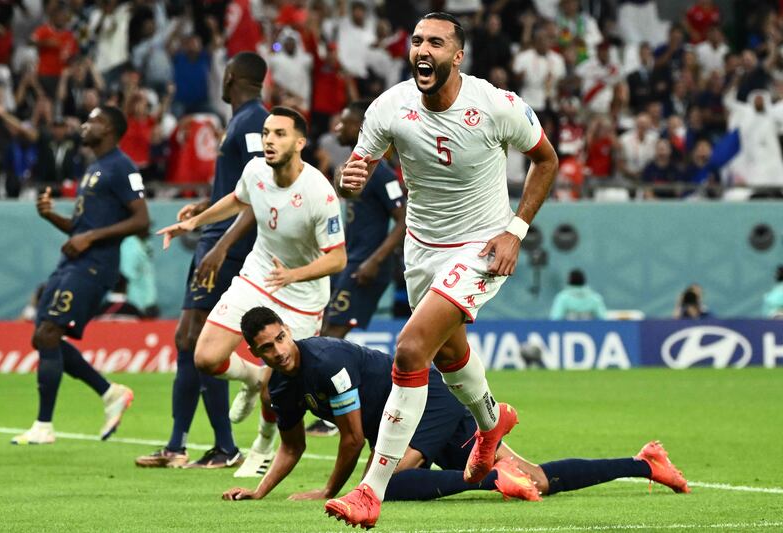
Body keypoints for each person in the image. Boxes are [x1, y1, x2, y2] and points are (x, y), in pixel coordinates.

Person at [325, 12, 559, 528]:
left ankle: (371, 491)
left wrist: (515, 232)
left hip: (481, 246)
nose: (422, 50)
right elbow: (354, 176)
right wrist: (350, 179)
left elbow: (547, 160)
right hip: (422, 250)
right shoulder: (389, 107)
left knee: (411, 350)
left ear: (458, 55)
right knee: (451, 354)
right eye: (416, 42)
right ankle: (492, 425)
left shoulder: (495, 105)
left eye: (436, 42)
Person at [221, 307, 689, 503]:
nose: (279, 350)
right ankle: (645, 464)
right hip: (407, 419)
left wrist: (330, 493)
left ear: (287, 329)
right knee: (539, 480)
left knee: (383, 484)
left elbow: (353, 438)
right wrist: (260, 492)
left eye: (281, 337)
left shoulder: (325, 361)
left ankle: (490, 482)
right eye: (267, 348)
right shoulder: (280, 389)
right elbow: (291, 447)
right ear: (254, 352)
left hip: (427, 402)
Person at [156, 106, 347, 477]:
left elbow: (338, 259)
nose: (269, 141)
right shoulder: (256, 170)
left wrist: (295, 275)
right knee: (206, 358)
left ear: (300, 142)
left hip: (302, 297)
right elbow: (238, 199)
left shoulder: (319, 193)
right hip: (257, 277)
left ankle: (262, 445)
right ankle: (252, 375)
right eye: (266, 134)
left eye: (279, 134)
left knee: (277, 391)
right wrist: (195, 221)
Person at [134, 52, 268, 469]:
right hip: (213, 235)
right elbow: (237, 191)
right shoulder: (241, 119)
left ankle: (223, 446)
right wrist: (203, 208)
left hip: (225, 247)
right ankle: (179, 445)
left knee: (199, 340)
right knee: (187, 340)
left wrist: (224, 244)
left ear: (229, 77)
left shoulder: (251, 123)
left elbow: (259, 191)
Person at [11, 105, 149, 445]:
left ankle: (44, 426)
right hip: (75, 262)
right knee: (44, 337)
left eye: (94, 121)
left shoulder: (122, 167)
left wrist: (90, 238)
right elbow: (80, 228)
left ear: (112, 130)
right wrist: (51, 217)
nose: (85, 126)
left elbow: (141, 220)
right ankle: (109, 392)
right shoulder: (93, 168)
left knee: (48, 334)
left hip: (95, 265)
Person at [305, 99, 406, 438]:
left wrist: (376, 261)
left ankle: (336, 415)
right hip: (353, 262)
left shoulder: (383, 173)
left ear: (361, 128)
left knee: (332, 335)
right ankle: (340, 409)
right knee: (329, 332)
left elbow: (403, 219)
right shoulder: (355, 166)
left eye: (344, 123)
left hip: (367, 266)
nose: (337, 129)